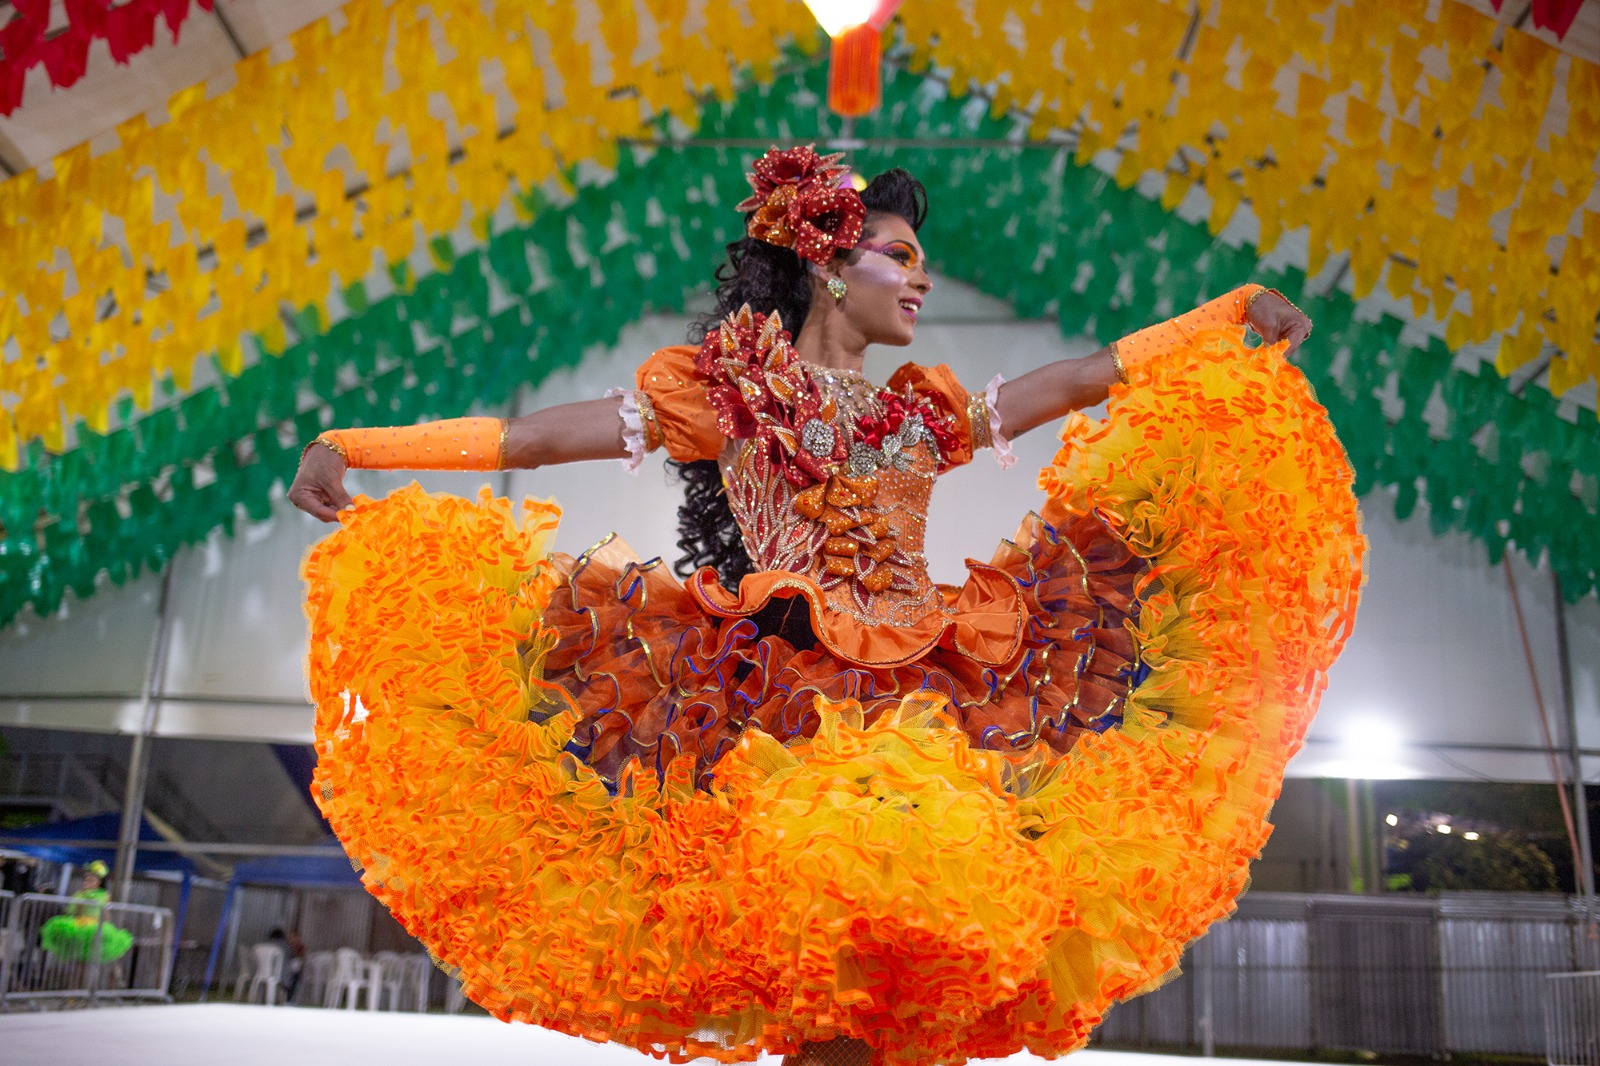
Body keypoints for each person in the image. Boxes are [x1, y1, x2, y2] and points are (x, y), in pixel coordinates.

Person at [289, 147, 1362, 1066]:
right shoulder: (727, 398)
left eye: (920, 261)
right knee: (824, 964)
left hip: (932, 701)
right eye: (899, 255)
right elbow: (528, 441)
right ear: (826, 267)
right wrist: (358, 448)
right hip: (779, 708)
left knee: (902, 964)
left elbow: (1082, 381)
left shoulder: (921, 416)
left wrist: (1222, 318)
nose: (919, 280)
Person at [39, 860, 134, 965]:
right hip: (80, 925)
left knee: (89, 958)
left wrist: (108, 926)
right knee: (77, 958)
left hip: (95, 927)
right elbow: (71, 911)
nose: (87, 882)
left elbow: (105, 913)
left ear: (99, 882)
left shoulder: (104, 895)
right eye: (86, 879)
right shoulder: (79, 894)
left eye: (91, 879)